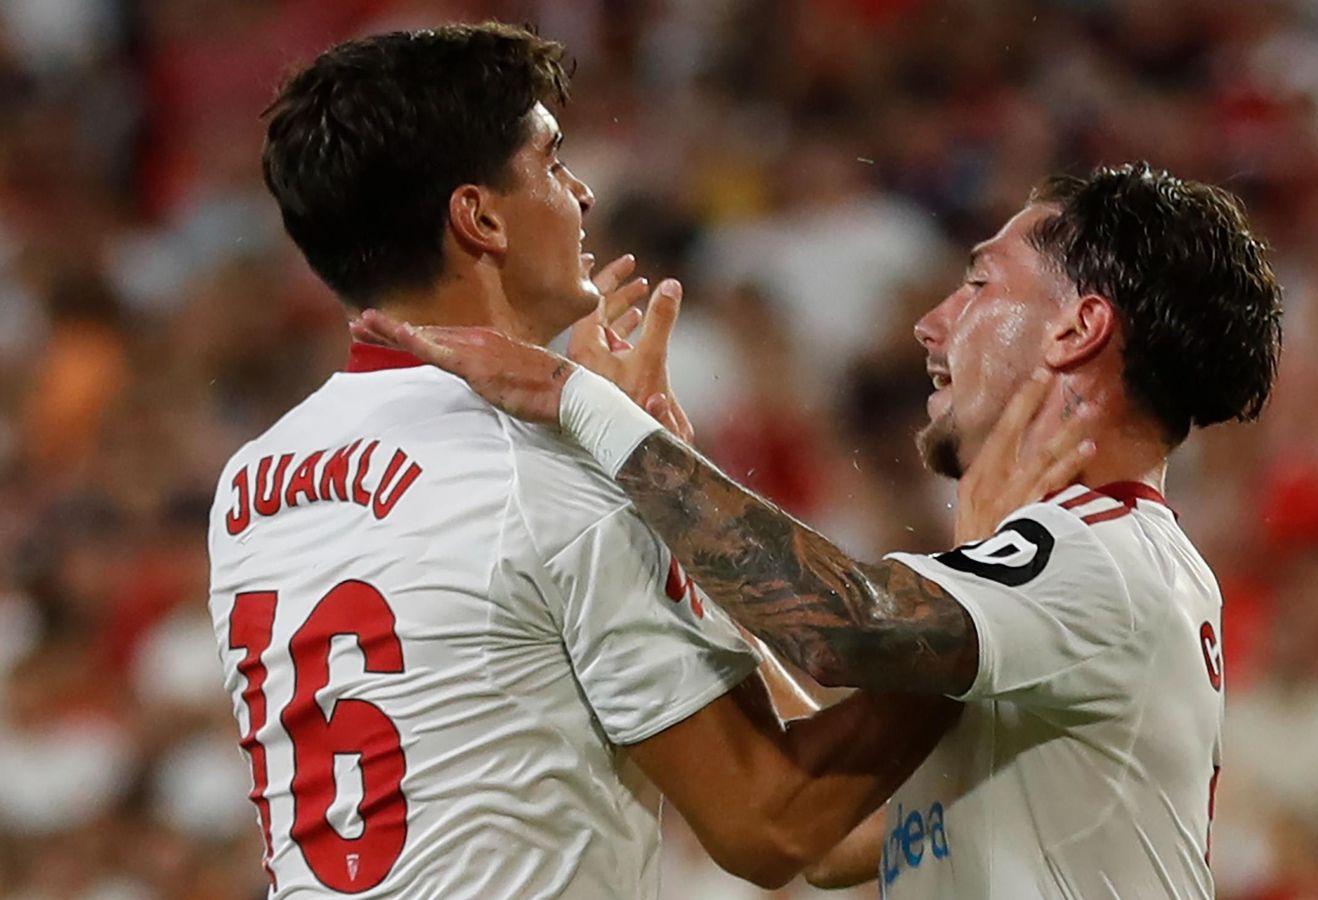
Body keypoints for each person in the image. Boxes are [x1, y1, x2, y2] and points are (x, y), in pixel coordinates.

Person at [207, 23, 1021, 898]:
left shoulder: (251, 482)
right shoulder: (542, 470)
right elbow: (774, 822)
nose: (583, 193)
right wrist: (996, 620)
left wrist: (662, 497)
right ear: (479, 217)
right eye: (553, 163)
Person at [354, 162, 1286, 898]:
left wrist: (585, 408)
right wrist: (657, 492)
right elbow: (828, 834)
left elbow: (844, 630)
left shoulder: (1102, 554)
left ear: (1077, 329)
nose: (931, 323)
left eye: (976, 283)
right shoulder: (1066, 588)